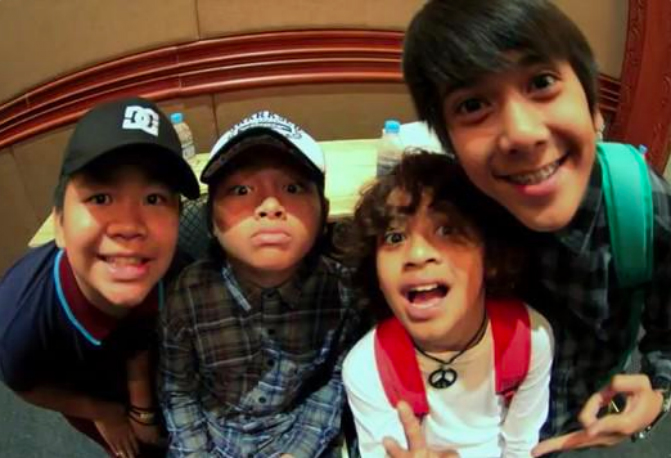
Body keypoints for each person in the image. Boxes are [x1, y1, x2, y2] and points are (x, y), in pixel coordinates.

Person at [401, 0, 671, 455]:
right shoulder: (441, 222)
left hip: (580, 430)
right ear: (450, 143)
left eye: (542, 82)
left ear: (594, 108)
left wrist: (658, 392)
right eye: (473, 105)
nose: (523, 134)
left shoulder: (637, 202)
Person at [0, 96, 200, 458]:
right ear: (59, 224)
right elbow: (25, 384)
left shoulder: (177, 273)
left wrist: (142, 408)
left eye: (154, 199)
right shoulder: (20, 319)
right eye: (101, 197)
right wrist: (104, 413)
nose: (129, 226)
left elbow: (139, 336)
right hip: (87, 390)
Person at [158, 110, 361, 457]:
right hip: (214, 440)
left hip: (302, 437)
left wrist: (299, 451)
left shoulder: (341, 291)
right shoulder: (187, 294)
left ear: (323, 212)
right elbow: (177, 391)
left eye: (292, 188)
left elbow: (335, 379)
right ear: (210, 221)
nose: (270, 206)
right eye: (241, 190)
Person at [342, 151, 554, 457]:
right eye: (395, 237)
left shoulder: (529, 338)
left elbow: (521, 448)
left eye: (447, 230)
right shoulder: (368, 367)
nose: (417, 255)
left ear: (491, 255)